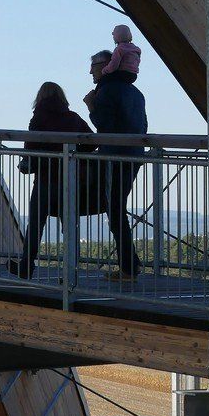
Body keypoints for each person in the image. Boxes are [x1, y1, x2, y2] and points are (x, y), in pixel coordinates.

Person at [8, 82, 98, 280]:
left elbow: (30, 147)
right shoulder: (73, 118)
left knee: (35, 223)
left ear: (40, 98)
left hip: (46, 179)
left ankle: (26, 265)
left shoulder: (39, 118)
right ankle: (69, 272)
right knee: (69, 226)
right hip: (71, 180)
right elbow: (93, 142)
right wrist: (73, 154)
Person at [85, 50, 147, 280]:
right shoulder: (135, 93)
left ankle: (128, 268)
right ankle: (130, 262)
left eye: (94, 65)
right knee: (117, 208)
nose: (90, 70)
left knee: (115, 210)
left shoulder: (105, 91)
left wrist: (92, 106)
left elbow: (105, 126)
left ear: (106, 65)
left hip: (114, 157)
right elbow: (143, 126)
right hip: (134, 155)